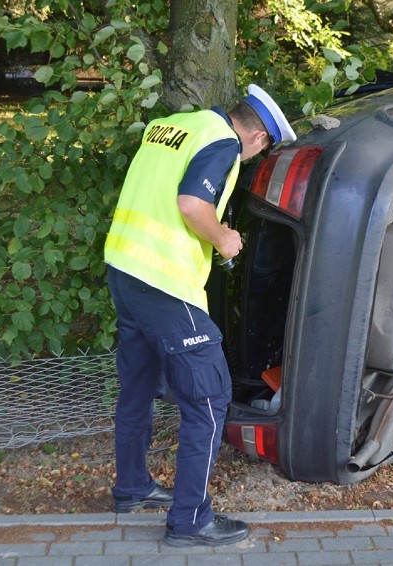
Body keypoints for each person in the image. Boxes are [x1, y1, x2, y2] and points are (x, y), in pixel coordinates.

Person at [103, 85, 296, 548]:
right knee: (210, 399)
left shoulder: (169, 127)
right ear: (259, 140)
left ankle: (131, 488)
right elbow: (191, 205)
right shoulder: (223, 143)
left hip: (124, 271)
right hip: (165, 286)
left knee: (138, 388)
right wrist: (224, 239)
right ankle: (189, 521)